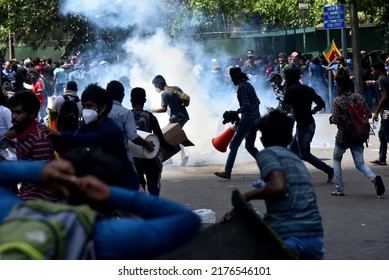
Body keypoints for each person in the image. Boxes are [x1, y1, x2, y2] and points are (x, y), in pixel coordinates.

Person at [0, 158, 201, 259]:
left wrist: (39, 171)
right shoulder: (103, 239)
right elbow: (187, 220)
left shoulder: (15, 213)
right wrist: (112, 193)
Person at [222, 110, 324, 260]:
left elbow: (278, 187)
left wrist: (246, 196)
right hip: (314, 234)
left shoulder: (268, 154)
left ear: (262, 140)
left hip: (289, 236)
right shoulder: (296, 161)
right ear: (290, 137)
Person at [41, 83, 140, 190]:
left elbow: (88, 140)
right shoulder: (86, 127)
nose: (85, 110)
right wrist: (52, 138)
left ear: (102, 107)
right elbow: (72, 147)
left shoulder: (111, 128)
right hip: (103, 182)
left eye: (89, 106)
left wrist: (60, 134)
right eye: (84, 106)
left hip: (123, 183)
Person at [330, 70, 385, 197]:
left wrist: (334, 117)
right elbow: (368, 113)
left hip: (343, 136)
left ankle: (339, 189)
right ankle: (374, 178)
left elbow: (335, 119)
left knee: (337, 159)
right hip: (359, 134)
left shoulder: (338, 101)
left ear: (340, 87)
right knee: (360, 163)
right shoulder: (359, 97)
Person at [283, 68, 334, 183]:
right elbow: (321, 103)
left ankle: (329, 170)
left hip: (304, 127)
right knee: (291, 152)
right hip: (307, 125)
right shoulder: (307, 89)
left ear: (289, 79)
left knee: (305, 154)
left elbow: (285, 106)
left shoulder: (290, 90)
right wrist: (313, 110)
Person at [7, 90, 58, 201]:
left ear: (32, 114)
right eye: (12, 112)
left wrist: (7, 166)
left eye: (18, 113)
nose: (14, 117)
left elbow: (40, 175)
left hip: (39, 198)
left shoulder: (39, 139)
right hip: (26, 193)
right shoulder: (22, 131)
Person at [214, 67, 261, 179]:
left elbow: (246, 105)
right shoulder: (248, 85)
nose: (231, 80)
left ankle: (227, 171)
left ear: (234, 76)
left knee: (234, 144)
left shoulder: (242, 88)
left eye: (231, 77)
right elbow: (257, 101)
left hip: (249, 119)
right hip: (256, 119)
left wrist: (236, 112)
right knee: (249, 146)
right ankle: (268, 165)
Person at [106, 80, 154, 165]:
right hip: (121, 158)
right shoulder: (126, 113)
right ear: (123, 96)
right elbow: (133, 136)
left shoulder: (100, 111)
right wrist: (147, 144)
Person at [151, 75, 189, 166]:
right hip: (184, 115)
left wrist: (151, 110)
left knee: (168, 136)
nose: (156, 88)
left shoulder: (164, 93)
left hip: (175, 118)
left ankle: (176, 156)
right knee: (174, 135)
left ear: (160, 83)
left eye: (156, 85)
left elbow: (163, 109)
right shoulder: (176, 88)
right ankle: (179, 156)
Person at [369, 61, 389, 166]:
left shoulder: (381, 80)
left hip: (386, 111)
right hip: (387, 110)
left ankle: (382, 158)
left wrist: (376, 112)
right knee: (382, 134)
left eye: (373, 70)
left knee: (387, 134)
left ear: (378, 70)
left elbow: (384, 96)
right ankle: (382, 158)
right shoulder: (385, 78)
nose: (372, 72)